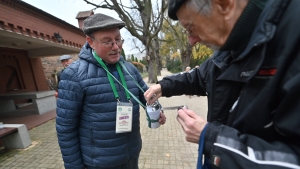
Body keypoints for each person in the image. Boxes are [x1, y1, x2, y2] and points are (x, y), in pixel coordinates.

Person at [144, 0, 300, 168]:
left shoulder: (293, 36)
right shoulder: (229, 48)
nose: (191, 41)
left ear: (225, 5)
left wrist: (211, 138)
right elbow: (199, 77)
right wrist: (163, 86)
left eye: (191, 28)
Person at [56, 13, 166, 169]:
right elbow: (65, 129)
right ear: (90, 42)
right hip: (99, 162)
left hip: (131, 155)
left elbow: (147, 95)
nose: (116, 47)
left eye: (118, 39)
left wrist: (158, 109)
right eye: (107, 41)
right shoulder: (74, 75)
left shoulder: (129, 69)